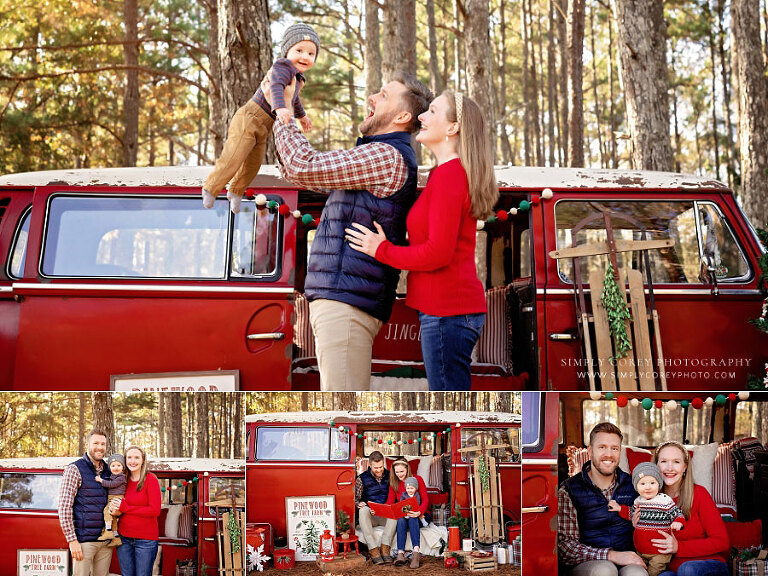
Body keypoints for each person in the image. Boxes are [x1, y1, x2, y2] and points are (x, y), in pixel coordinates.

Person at [269, 70, 433, 390]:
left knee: (342, 400)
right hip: (343, 298)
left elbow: (303, 166)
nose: (372, 97)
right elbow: (299, 169)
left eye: (383, 95)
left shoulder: (386, 155)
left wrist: (283, 111)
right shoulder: (378, 152)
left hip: (346, 302)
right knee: (344, 394)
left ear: (402, 116)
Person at [345, 91, 498, 390]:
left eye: (432, 111)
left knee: (450, 402)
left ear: (453, 128)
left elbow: (437, 253)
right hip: (448, 311)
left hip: (448, 312)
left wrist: (382, 250)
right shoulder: (447, 173)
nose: (421, 118)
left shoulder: (450, 176)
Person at [202, 22, 319, 213]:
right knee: (235, 154)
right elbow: (275, 86)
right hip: (250, 118)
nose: (305, 57)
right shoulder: (283, 66)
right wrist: (280, 107)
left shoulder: (298, 78)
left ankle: (236, 191)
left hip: (264, 127)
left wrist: (302, 116)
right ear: (287, 51)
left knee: (253, 164)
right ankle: (211, 187)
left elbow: (294, 100)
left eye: (310, 53)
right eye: (299, 50)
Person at [558, 422, 647, 576]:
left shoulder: (634, 485)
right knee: (604, 570)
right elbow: (566, 547)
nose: (609, 454)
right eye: (602, 447)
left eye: (615, 448)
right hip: (588, 563)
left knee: (637, 574)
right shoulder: (569, 489)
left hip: (628, 559)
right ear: (590, 451)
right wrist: (611, 555)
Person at [649, 442, 729, 576]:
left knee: (688, 569)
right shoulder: (650, 500)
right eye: (663, 461)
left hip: (710, 564)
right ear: (656, 466)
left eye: (676, 462)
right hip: (675, 568)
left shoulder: (699, 494)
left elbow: (722, 542)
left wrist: (679, 547)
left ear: (684, 467)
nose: (669, 468)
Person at [608, 462, 685, 576]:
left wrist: (678, 522)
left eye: (652, 483)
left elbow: (678, 514)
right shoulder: (638, 501)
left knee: (653, 572)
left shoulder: (664, 500)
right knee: (639, 572)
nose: (648, 487)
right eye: (642, 483)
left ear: (659, 484)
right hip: (640, 551)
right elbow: (632, 514)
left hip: (659, 553)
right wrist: (619, 508)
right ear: (636, 487)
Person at [58, 429, 114, 576]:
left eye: (103, 444)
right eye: (96, 443)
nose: (100, 447)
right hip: (84, 542)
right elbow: (64, 507)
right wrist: (72, 540)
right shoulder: (75, 469)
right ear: (87, 444)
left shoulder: (109, 470)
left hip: (105, 541)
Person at [111, 446, 162, 576]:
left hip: (146, 540)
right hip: (124, 539)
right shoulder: (122, 480)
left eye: (137, 457)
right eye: (129, 457)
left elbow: (155, 510)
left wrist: (126, 508)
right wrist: (114, 509)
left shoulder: (151, 479)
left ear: (143, 460)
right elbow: (117, 503)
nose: (132, 461)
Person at [355, 450, 397, 564]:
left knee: (395, 513)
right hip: (371, 516)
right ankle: (373, 548)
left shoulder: (390, 475)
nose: (379, 470)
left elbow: (397, 494)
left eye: (381, 467)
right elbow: (356, 498)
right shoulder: (361, 478)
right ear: (370, 465)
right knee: (363, 510)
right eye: (375, 468)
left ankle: (385, 547)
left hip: (385, 515)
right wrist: (358, 503)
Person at [96, 453, 127, 543]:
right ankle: (116, 536)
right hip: (112, 497)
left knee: (106, 511)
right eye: (113, 466)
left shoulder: (121, 477)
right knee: (112, 517)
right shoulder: (113, 476)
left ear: (123, 467)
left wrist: (101, 480)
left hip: (117, 497)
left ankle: (108, 531)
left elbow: (111, 485)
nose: (116, 468)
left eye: (118, 465)